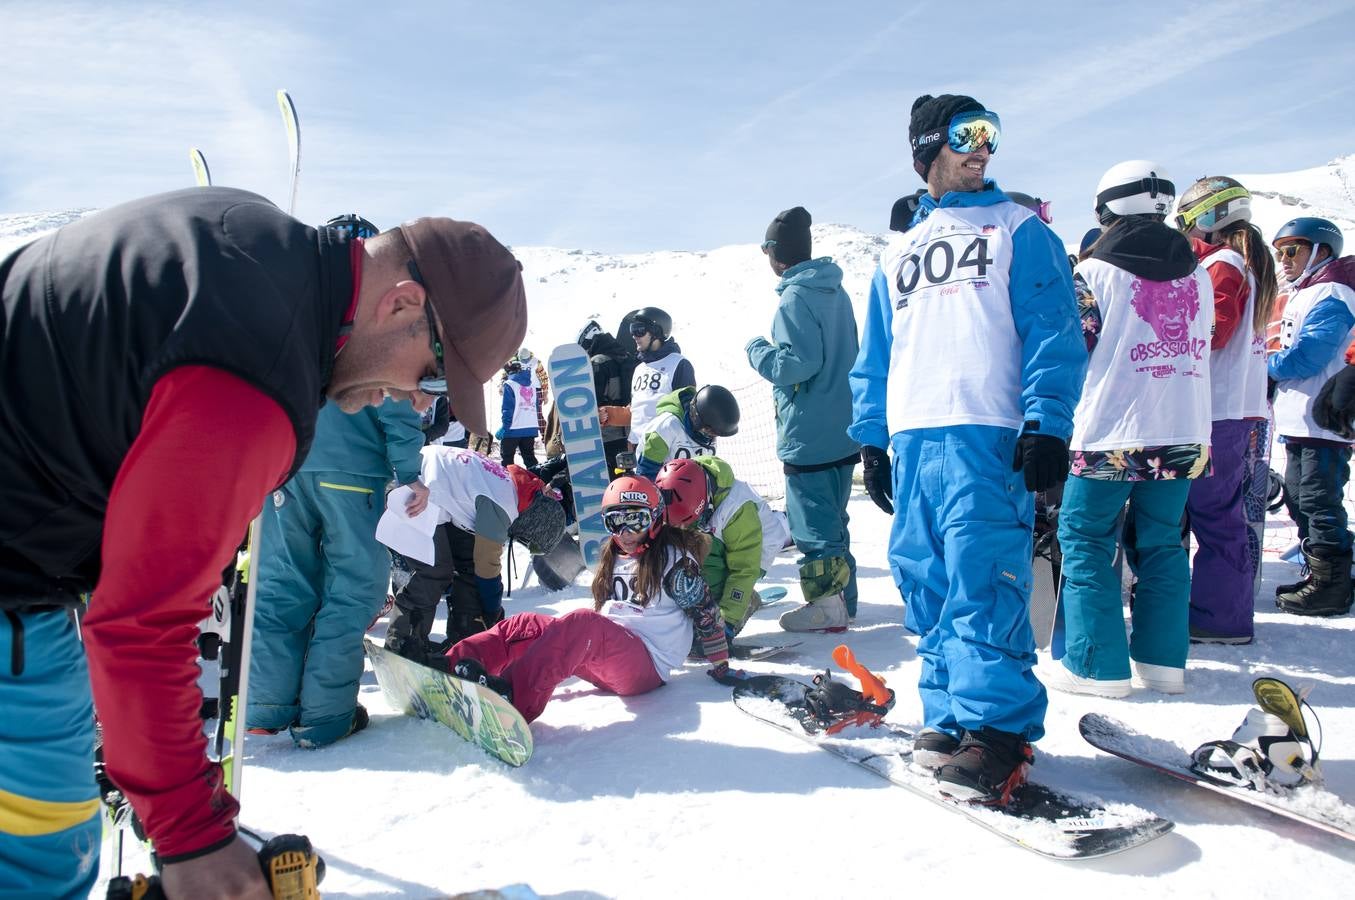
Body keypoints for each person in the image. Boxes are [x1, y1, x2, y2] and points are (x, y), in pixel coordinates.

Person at [0, 186, 526, 898]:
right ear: (402, 304)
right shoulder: (255, 375)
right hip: (15, 585)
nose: (415, 400)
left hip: (30, 572)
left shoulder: (243, 228)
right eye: (431, 376)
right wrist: (195, 839)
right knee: (40, 869)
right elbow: (143, 623)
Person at [848, 94, 1085, 802]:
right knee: (924, 578)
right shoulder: (896, 252)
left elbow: (1052, 329)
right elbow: (876, 357)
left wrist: (1046, 421)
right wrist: (872, 440)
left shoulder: (1018, 228)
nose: (982, 148)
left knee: (982, 578)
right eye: (966, 135)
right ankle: (950, 714)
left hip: (986, 430)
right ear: (927, 149)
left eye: (991, 134)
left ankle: (999, 730)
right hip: (915, 435)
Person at [1050, 161, 1213, 700]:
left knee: (1085, 540)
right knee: (1163, 543)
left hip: (1110, 433)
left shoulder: (1094, 273)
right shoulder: (1199, 274)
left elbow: (1073, 347)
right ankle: (1164, 664)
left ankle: (1097, 666)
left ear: (1106, 210)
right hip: (1184, 429)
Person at [442, 475, 732, 722]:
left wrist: (721, 664)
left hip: (647, 663)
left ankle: (512, 700)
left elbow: (705, 612)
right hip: (610, 652)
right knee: (525, 624)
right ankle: (449, 667)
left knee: (583, 624)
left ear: (655, 518)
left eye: (636, 520)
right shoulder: (614, 555)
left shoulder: (674, 561)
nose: (626, 533)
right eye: (615, 522)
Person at [246, 396, 426, 747]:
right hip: (350, 467)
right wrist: (408, 473)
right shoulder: (378, 352)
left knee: (282, 584)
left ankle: (266, 705)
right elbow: (395, 397)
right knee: (352, 590)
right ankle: (324, 716)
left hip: (282, 466)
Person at [747, 206, 861, 633]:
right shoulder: (835, 291)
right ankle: (846, 600)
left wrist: (758, 350)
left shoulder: (795, 297)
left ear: (777, 254)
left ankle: (827, 606)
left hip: (808, 433)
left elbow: (798, 364)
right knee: (834, 518)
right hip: (843, 428)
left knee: (811, 524)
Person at [1175, 177, 1278, 643]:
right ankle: (1220, 611)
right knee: (1218, 512)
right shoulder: (1246, 262)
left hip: (1217, 408)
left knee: (1214, 513)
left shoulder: (1224, 263)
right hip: (1233, 407)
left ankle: (1221, 617)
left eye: (1185, 221)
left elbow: (1213, 330)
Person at [383, 446, 566, 662]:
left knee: (468, 562)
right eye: (528, 542)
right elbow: (487, 567)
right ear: (532, 525)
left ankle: (466, 639)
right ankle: (402, 643)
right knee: (435, 571)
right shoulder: (503, 504)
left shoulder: (512, 486)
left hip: (429, 484)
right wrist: (492, 608)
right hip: (413, 489)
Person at [1269, 217, 1355, 616]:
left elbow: (1310, 354)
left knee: (1319, 500)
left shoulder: (1333, 291)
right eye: (1279, 253)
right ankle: (1321, 575)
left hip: (1324, 415)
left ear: (1321, 251)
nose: (1284, 259)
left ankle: (1332, 585)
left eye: (1293, 250)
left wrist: (1261, 366)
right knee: (1299, 498)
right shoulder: (1304, 291)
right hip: (1300, 418)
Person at [657, 456, 791, 641]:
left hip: (757, 549)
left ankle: (745, 601)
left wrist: (726, 622)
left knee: (710, 585)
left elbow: (744, 569)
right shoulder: (683, 485)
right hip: (716, 537)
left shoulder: (736, 507)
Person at [635, 384, 741, 479]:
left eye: (716, 434)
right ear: (697, 419)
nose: (713, 437)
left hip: (686, 486)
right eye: (711, 432)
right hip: (659, 484)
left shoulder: (708, 434)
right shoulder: (667, 428)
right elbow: (647, 471)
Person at [626, 306, 696, 446]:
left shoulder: (678, 364)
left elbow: (687, 411)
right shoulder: (639, 369)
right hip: (638, 447)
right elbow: (638, 410)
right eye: (632, 330)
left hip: (664, 448)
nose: (634, 336)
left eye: (639, 330)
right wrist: (609, 415)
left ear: (656, 332)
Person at [581, 319, 641, 475]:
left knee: (609, 479)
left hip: (606, 433)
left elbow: (592, 399)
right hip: (629, 432)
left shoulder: (598, 362)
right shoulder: (626, 357)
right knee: (625, 476)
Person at [498, 354, 540, 468]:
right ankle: (537, 478)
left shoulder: (510, 384)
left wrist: (505, 427)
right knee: (530, 459)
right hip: (530, 428)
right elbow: (536, 407)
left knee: (507, 460)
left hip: (513, 428)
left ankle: (508, 480)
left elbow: (508, 409)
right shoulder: (532, 386)